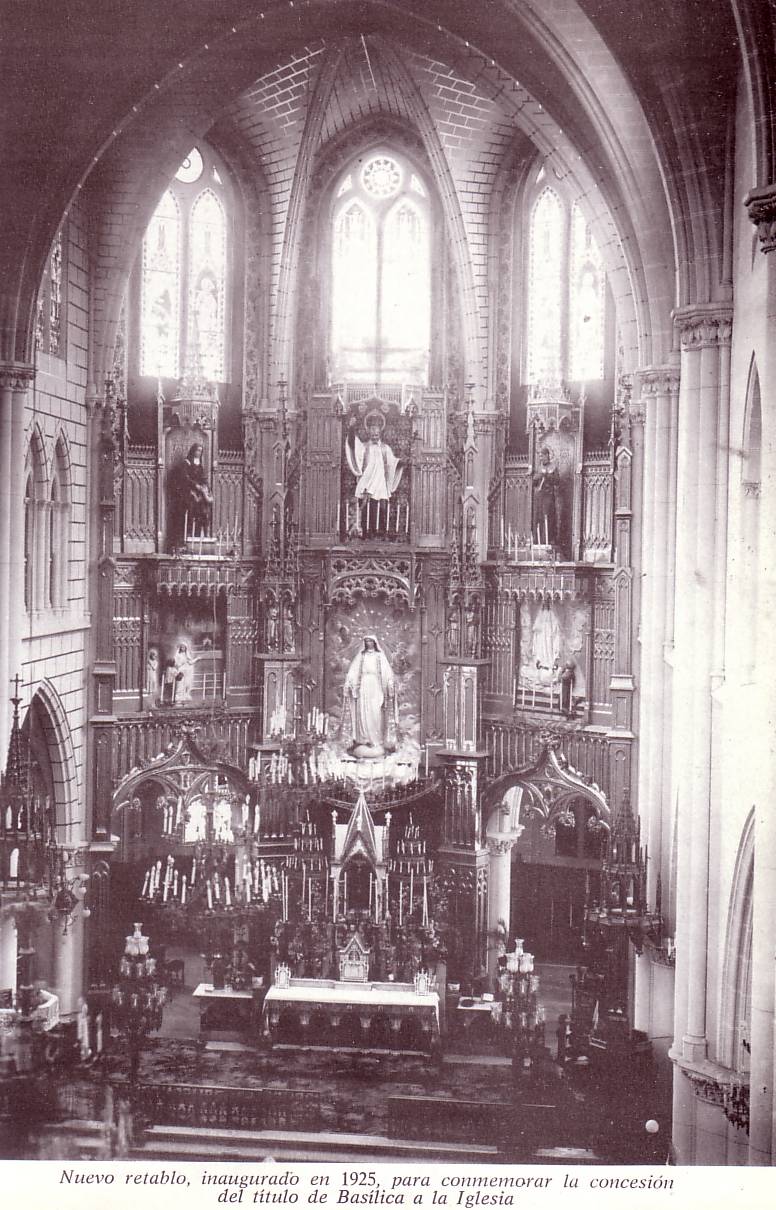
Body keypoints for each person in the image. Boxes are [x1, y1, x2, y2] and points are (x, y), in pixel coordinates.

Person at [343, 635, 398, 757]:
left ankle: (376, 739)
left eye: (370, 641)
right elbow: (353, 672)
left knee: (376, 712)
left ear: (374, 642)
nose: (368, 643)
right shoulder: (361, 656)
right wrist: (349, 682)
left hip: (376, 686)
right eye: (366, 641)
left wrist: (390, 683)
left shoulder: (379, 656)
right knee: (363, 712)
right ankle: (364, 739)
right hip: (363, 686)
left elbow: (387, 673)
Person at [345, 414, 402, 529]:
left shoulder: (385, 448)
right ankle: (366, 533)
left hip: (381, 486)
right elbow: (352, 444)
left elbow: (392, 463)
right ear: (368, 432)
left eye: (377, 432)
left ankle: (380, 532)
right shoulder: (364, 447)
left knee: (382, 511)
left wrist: (402, 462)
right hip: (367, 484)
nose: (375, 434)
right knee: (366, 511)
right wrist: (351, 428)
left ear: (380, 432)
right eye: (372, 431)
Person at [179, 442, 213, 537]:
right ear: (193, 450)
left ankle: (199, 535)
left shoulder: (200, 464)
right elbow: (185, 477)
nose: (198, 453)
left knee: (202, 511)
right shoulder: (187, 462)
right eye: (197, 450)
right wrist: (195, 485)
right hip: (189, 490)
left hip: (199, 491)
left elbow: (203, 477)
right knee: (191, 511)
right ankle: (189, 535)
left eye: (200, 451)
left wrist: (207, 487)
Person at [532, 445, 560, 547]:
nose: (541, 458)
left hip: (548, 496)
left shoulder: (553, 467)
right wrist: (538, 477)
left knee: (548, 516)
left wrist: (547, 476)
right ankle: (538, 541)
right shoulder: (539, 467)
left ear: (547, 455)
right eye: (539, 456)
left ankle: (548, 540)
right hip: (539, 497)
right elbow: (534, 483)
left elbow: (557, 481)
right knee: (538, 517)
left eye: (542, 456)